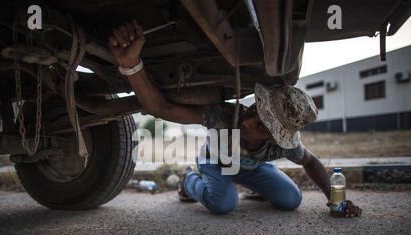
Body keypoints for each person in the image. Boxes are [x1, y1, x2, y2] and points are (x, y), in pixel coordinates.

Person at [108, 20, 363, 218]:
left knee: (291, 200)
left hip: (252, 170)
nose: (247, 122)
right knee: (223, 204)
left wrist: (336, 201)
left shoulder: (283, 145)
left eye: (263, 127)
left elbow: (311, 161)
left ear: (275, 138)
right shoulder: (224, 116)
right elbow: (162, 108)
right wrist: (132, 65)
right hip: (215, 163)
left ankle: (254, 186)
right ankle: (188, 180)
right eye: (255, 110)